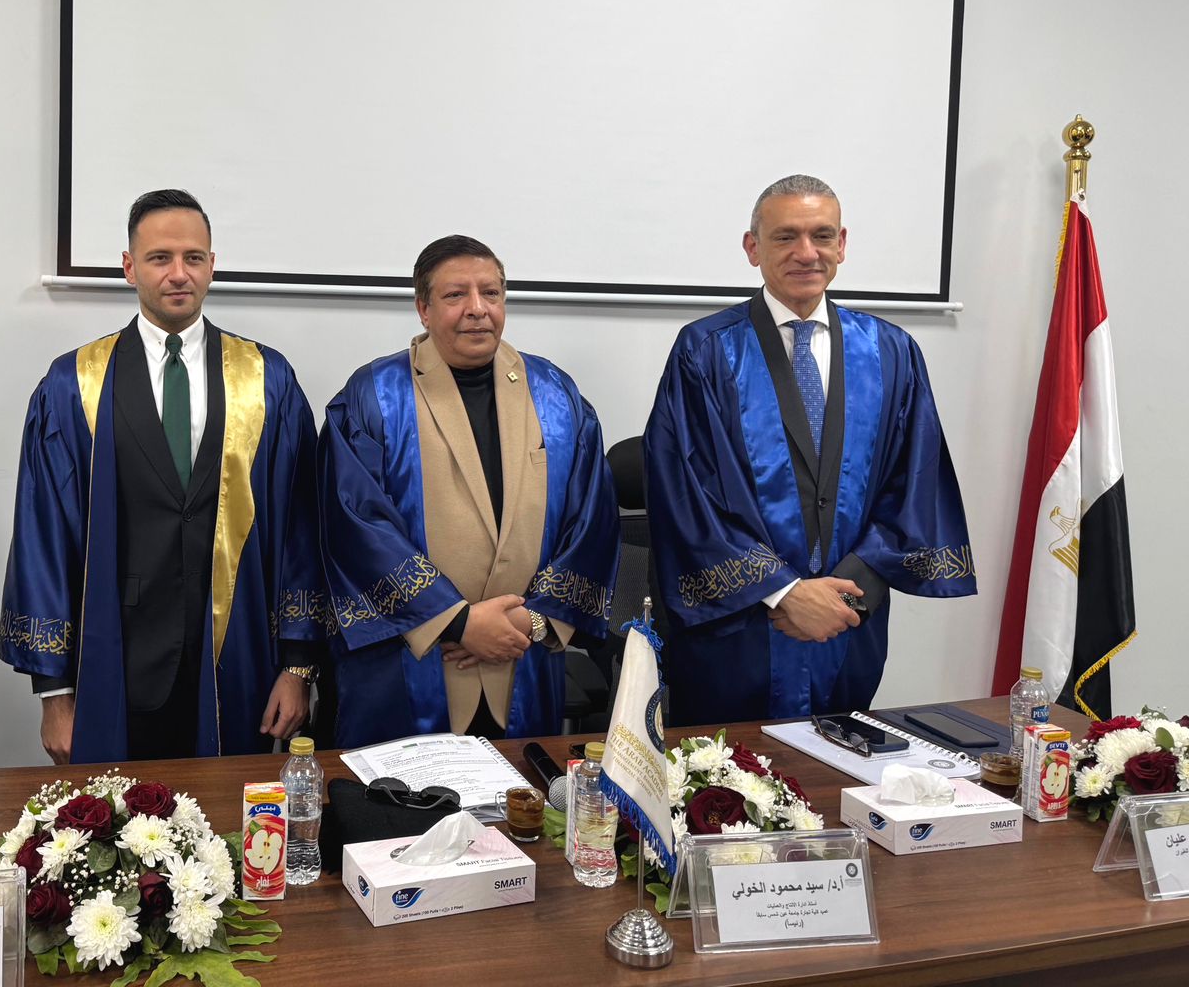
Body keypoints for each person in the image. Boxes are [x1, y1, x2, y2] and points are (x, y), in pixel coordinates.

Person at [0, 190, 326, 764]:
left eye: (193, 257)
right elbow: (44, 536)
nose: (179, 274)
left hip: (238, 656)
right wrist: (54, 693)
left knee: (233, 811)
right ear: (129, 267)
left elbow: (303, 528)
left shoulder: (265, 379)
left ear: (212, 265)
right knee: (127, 817)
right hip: (117, 661)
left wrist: (298, 666)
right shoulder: (74, 384)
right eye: (159, 258)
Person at [645, 176, 975, 725]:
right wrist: (785, 593)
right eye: (785, 237)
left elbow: (915, 485)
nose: (806, 253)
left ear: (841, 245)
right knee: (726, 771)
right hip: (739, 632)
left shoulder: (891, 352)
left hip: (847, 623)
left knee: (838, 763)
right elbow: (682, 494)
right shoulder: (705, 351)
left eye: (822, 236)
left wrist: (845, 594)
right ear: (753, 248)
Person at [319, 235, 617, 746]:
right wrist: (457, 623)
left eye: (491, 293)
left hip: (521, 653)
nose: (478, 309)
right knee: (403, 791)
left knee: (521, 790)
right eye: (456, 295)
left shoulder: (555, 394)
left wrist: (533, 621)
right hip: (410, 666)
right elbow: (354, 524)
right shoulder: (373, 397)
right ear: (424, 308)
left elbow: (591, 518)